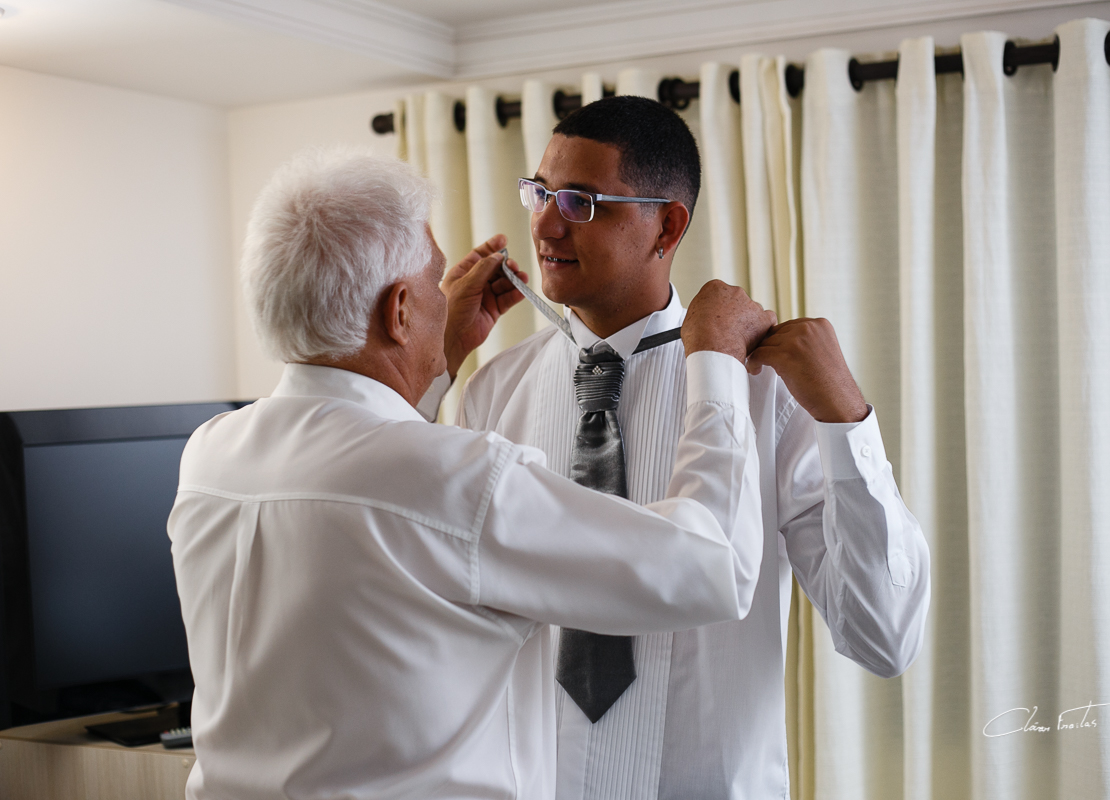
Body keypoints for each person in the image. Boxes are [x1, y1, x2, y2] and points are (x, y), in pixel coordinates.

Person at [167, 148, 779, 800]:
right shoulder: (460, 479)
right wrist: (715, 365)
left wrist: (431, 357)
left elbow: (368, 498)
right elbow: (708, 566)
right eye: (435, 281)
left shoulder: (209, 454)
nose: (447, 294)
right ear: (399, 311)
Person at [431, 96, 932, 799]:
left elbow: (885, 636)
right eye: (539, 193)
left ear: (666, 225)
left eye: (579, 202)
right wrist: (433, 359)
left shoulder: (766, 393)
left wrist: (847, 420)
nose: (543, 223)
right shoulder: (493, 392)